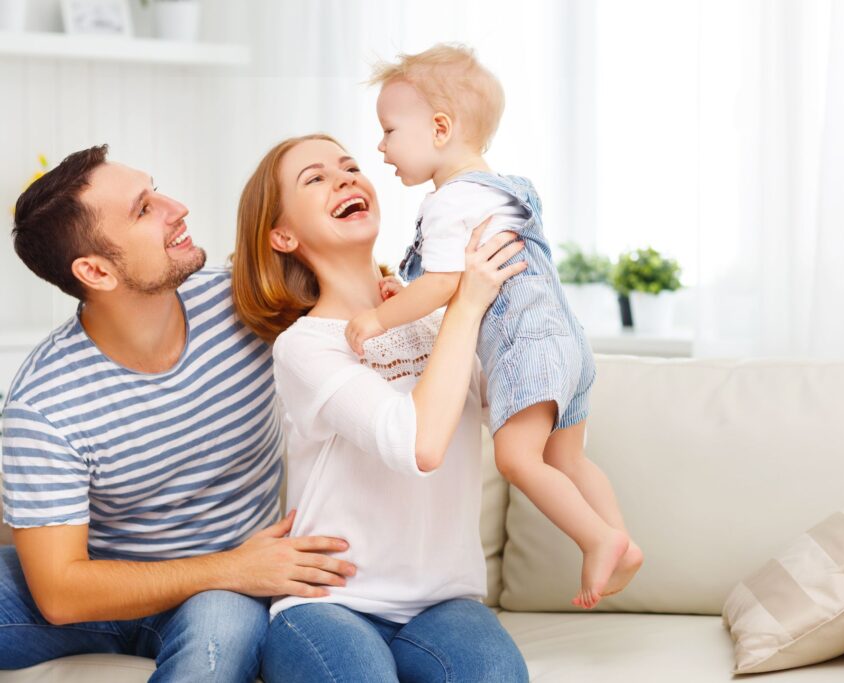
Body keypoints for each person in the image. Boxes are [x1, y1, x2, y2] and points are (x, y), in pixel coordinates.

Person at [0, 145, 358, 681]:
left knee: (220, 638)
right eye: (144, 209)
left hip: (220, 595)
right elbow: (60, 592)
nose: (178, 207)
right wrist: (237, 565)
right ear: (95, 270)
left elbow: (356, 295)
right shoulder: (42, 404)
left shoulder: (247, 306)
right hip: (116, 585)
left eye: (156, 189)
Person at [344, 43, 643, 609]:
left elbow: (445, 287)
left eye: (388, 131)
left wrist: (379, 316)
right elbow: (468, 284)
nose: (380, 147)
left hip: (526, 349)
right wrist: (408, 294)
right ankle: (621, 538)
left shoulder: (448, 202)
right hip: (567, 344)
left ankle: (599, 538)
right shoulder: (501, 188)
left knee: (516, 458)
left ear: (438, 128)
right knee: (568, 459)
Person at [231, 133, 530, 683]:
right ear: (283, 234)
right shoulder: (305, 345)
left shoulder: (439, 318)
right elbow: (417, 444)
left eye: (349, 167)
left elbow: (523, 407)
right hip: (329, 603)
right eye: (315, 178)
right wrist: (464, 301)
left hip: (443, 603)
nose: (345, 178)